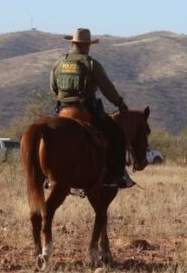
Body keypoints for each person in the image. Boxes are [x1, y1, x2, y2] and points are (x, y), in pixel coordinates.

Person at [50, 28, 134, 188]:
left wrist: (65, 100)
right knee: (117, 135)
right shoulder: (91, 64)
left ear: (73, 43)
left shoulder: (59, 63)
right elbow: (107, 88)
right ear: (86, 45)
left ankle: (49, 177)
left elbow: (53, 88)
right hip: (85, 111)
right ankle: (116, 177)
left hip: (62, 111)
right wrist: (120, 104)